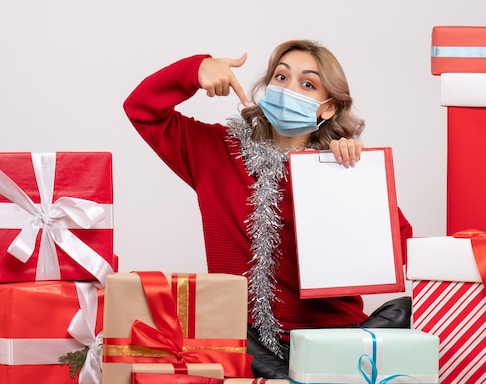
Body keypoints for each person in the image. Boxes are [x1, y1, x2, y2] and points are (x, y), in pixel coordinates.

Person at [123, 39, 413, 378]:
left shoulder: (340, 168)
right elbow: (141, 109)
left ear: (329, 108)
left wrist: (358, 180)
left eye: (308, 84)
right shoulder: (214, 150)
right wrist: (194, 70)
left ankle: (306, 371)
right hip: (249, 342)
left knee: (407, 309)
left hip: (335, 335)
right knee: (213, 324)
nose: (289, 89)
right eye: (281, 77)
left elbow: (402, 248)